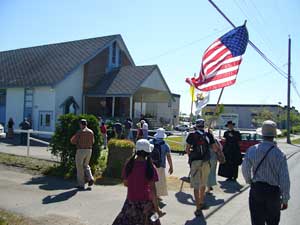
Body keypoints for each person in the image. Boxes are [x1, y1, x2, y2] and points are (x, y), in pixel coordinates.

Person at [242, 120, 290, 225]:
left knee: (256, 221)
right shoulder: (279, 154)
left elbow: (245, 168)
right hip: (273, 192)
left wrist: (249, 181)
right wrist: (285, 199)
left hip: (257, 189)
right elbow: (284, 179)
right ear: (274, 136)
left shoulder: (252, 150)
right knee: (273, 222)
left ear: (262, 135)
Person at [112, 139, 165, 225]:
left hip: (130, 203)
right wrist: (157, 209)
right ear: (148, 152)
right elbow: (152, 190)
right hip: (146, 205)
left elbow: (126, 183)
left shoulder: (129, 164)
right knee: (152, 221)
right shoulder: (150, 167)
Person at [185, 119, 219, 216]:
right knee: (203, 183)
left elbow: (187, 149)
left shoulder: (191, 135)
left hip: (195, 162)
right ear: (204, 125)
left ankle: (197, 207)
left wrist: (191, 158)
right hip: (205, 162)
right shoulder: (208, 135)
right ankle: (201, 201)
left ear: (196, 125)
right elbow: (215, 148)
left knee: (196, 185)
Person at [70, 119, 95, 190]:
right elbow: (93, 142)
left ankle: (81, 184)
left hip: (81, 150)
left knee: (79, 167)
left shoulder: (80, 132)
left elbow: (73, 141)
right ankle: (90, 178)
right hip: (89, 150)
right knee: (86, 165)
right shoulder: (91, 132)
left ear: (81, 124)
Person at [151, 128, 173, 200]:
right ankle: (157, 195)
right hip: (161, 165)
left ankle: (150, 194)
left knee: (150, 180)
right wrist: (171, 166)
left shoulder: (150, 142)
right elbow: (168, 156)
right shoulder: (165, 145)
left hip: (150, 164)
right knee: (159, 181)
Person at [206, 129, 222, 194]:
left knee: (206, 173)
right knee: (212, 172)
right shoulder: (215, 140)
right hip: (213, 157)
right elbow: (220, 148)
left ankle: (208, 187)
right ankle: (210, 186)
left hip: (207, 157)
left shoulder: (205, 140)